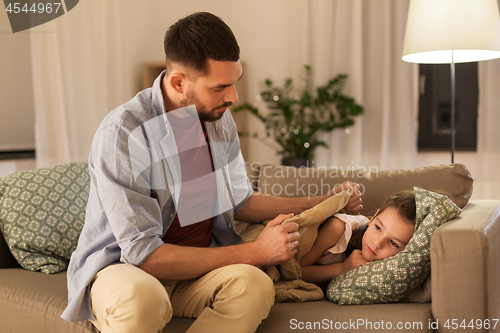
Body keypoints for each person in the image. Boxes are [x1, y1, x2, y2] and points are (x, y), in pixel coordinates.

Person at [60, 12, 363, 333]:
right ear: (178, 81)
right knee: (142, 297)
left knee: (254, 286)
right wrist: (256, 251)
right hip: (124, 268)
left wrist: (321, 201)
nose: (232, 98)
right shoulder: (124, 131)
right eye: (220, 87)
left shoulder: (217, 121)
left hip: (198, 266)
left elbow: (239, 202)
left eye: (235, 83)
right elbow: (144, 254)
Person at [299, 192, 416, 285]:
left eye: (393, 243)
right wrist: (342, 268)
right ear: (373, 217)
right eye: (378, 228)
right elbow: (298, 271)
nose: (377, 243)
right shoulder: (339, 228)